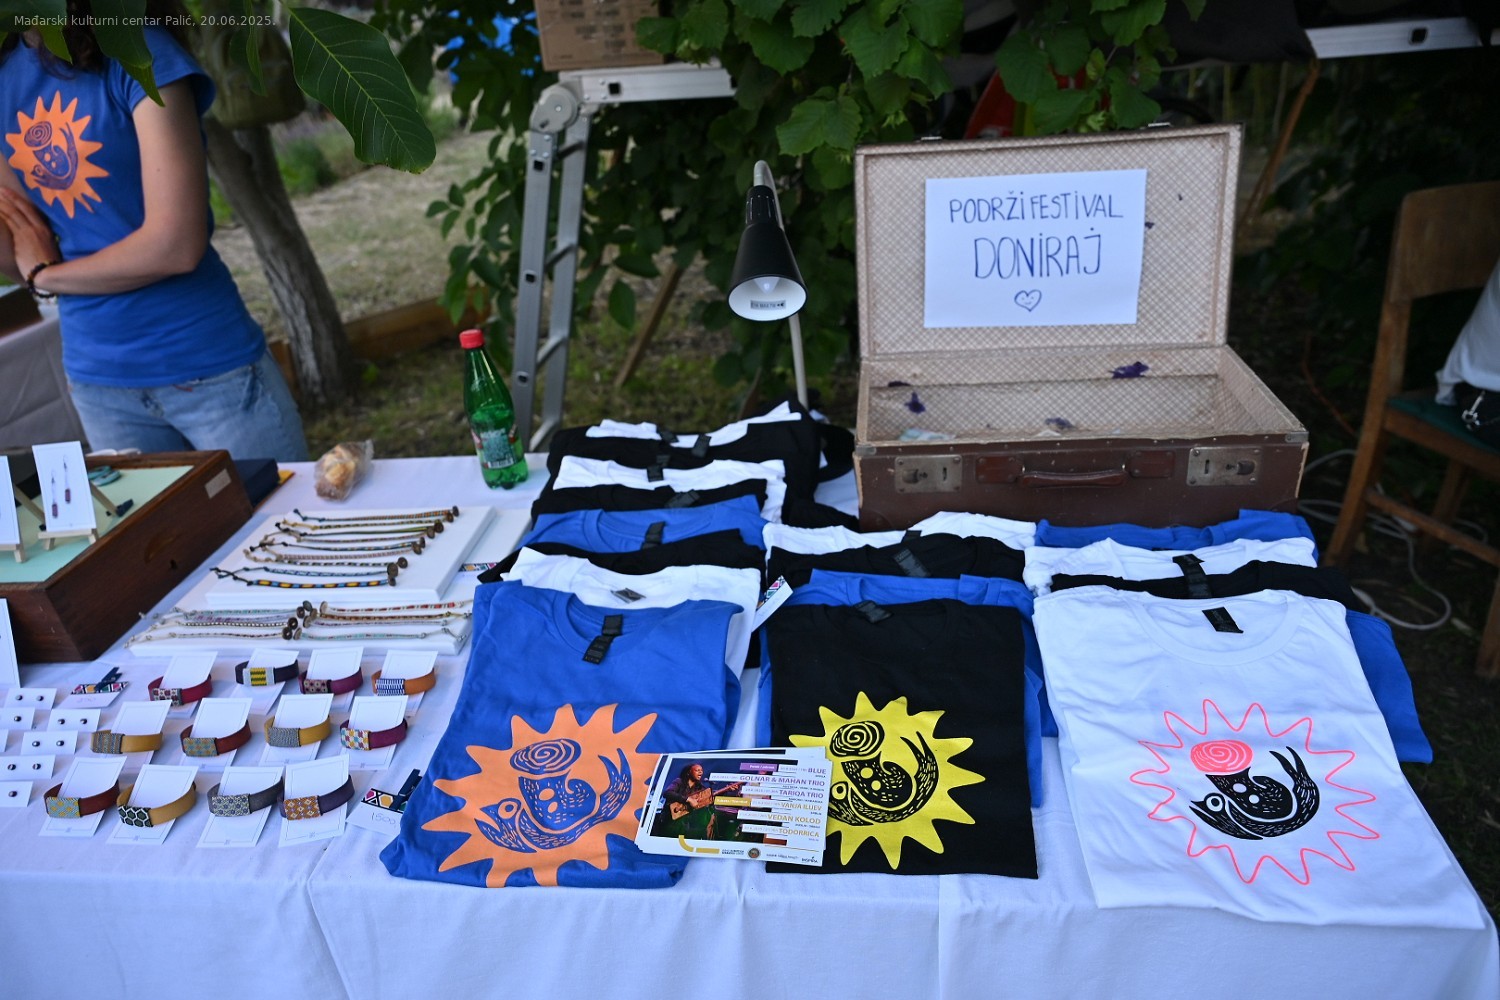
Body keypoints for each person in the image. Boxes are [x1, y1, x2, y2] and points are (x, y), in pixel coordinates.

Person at [0, 0, 308, 461]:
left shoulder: (140, 51)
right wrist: (37, 270)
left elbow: (175, 244)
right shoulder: (4, 77)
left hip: (207, 368)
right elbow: (17, 252)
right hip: (100, 384)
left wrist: (48, 277)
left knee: (276, 510)